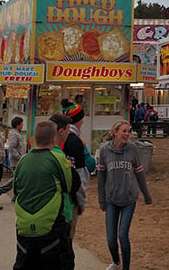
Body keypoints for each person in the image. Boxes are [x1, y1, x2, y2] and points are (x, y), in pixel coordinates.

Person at [12, 120, 76, 269]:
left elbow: (16, 189)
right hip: (51, 225)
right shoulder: (58, 159)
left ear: (34, 138)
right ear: (54, 139)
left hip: (24, 225)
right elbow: (68, 186)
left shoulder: (23, 160)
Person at [97, 120, 152, 270]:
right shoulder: (104, 151)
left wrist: (146, 195)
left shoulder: (133, 150)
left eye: (129, 131)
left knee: (122, 234)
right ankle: (116, 262)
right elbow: (101, 177)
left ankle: (126, 268)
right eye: (124, 131)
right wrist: (101, 200)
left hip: (129, 198)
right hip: (111, 199)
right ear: (115, 132)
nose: (127, 134)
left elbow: (139, 173)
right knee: (111, 239)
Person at [60, 101, 91, 238]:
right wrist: (81, 201)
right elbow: (79, 175)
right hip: (70, 199)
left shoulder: (58, 138)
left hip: (55, 198)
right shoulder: (75, 141)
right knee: (67, 236)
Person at [0, 116, 26, 197]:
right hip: (16, 161)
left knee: (18, 179)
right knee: (16, 178)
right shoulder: (14, 134)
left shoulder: (18, 133)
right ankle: (1, 190)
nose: (22, 125)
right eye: (21, 124)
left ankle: (15, 195)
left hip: (18, 160)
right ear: (18, 125)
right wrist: (19, 157)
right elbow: (12, 147)